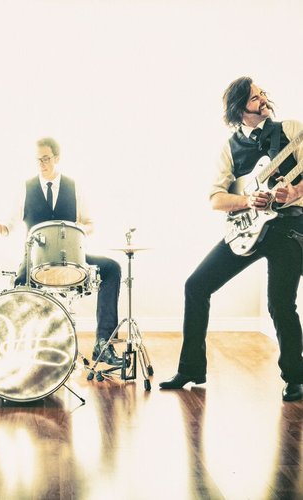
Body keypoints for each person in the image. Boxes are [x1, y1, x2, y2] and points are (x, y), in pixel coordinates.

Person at [160, 76, 303, 402]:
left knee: (280, 304)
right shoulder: (230, 147)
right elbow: (216, 199)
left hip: (288, 228)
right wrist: (247, 201)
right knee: (196, 286)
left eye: (262, 93)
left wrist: (293, 192)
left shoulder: (291, 130)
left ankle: (296, 377)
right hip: (248, 229)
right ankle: (190, 369)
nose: (263, 99)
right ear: (240, 110)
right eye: (254, 98)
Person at [0, 137, 123, 365]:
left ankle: (103, 344)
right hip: (35, 261)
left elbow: (90, 223)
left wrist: (79, 229)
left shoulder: (74, 186)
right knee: (18, 287)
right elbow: (10, 223)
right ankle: (18, 349)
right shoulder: (26, 187)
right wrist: (2, 228)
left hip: (71, 258)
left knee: (112, 269)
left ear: (57, 158)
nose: (41, 164)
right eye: (38, 160)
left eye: (46, 159)